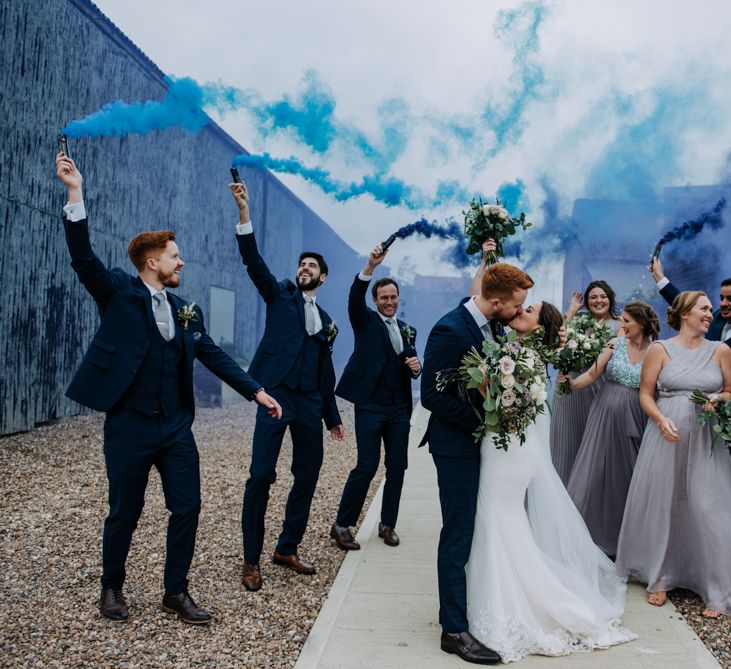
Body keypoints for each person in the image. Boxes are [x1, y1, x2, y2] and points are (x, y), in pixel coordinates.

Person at [55, 154, 282, 624]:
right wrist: (75, 193)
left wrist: (256, 391)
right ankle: (111, 588)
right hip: (130, 426)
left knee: (188, 507)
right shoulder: (119, 293)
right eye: (176, 256)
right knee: (125, 510)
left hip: (176, 426)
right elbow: (82, 257)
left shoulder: (187, 311)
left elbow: (214, 354)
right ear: (153, 262)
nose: (183, 262)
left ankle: (175, 591)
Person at [466, 301, 636, 662]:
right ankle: (494, 594)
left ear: (538, 327)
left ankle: (507, 603)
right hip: (509, 449)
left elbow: (507, 408)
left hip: (507, 447)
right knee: (501, 519)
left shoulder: (523, 357)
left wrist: (482, 384)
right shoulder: (518, 348)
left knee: (494, 516)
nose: (521, 309)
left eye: (528, 309)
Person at [229, 179, 345, 593]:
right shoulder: (280, 295)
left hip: (310, 403)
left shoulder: (328, 322)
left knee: (308, 473)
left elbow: (325, 373)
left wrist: (331, 417)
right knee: (261, 475)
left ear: (323, 278)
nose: (305, 269)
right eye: (302, 265)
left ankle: (287, 546)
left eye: (312, 266)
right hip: (274, 395)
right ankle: (250, 559)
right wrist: (245, 213)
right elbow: (253, 262)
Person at [420, 262, 534, 665]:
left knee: (480, 527)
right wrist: (486, 420)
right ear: (496, 301)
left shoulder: (495, 326)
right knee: (458, 531)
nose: (521, 311)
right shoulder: (449, 329)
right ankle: (452, 630)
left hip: (485, 447)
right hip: (455, 447)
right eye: (517, 305)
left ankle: (472, 606)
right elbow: (431, 397)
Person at [617, 291, 731, 618]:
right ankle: (660, 574)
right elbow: (645, 394)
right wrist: (660, 418)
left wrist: (719, 400)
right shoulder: (660, 349)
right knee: (664, 502)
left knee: (708, 505)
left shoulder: (721, 350)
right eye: (704, 308)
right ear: (684, 313)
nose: (710, 314)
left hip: (705, 436)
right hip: (665, 435)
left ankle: (716, 587)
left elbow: (729, 390)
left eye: (711, 309)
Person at [330, 243, 421, 551]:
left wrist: (417, 366)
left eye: (393, 297)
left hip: (398, 409)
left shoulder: (408, 330)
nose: (389, 302)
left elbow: (410, 362)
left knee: (398, 466)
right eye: (384, 298)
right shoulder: (365, 320)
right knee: (367, 465)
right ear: (375, 300)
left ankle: (387, 524)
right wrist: (370, 267)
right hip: (369, 405)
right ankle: (342, 525)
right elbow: (354, 297)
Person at [565, 301, 659, 556]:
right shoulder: (613, 345)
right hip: (604, 416)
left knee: (628, 476)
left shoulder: (656, 352)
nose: (622, 325)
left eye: (627, 321)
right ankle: (582, 537)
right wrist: (573, 383)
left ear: (641, 323)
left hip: (636, 418)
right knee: (595, 471)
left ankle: (624, 542)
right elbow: (592, 375)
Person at [550, 280, 621, 485]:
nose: (598, 301)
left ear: (610, 299)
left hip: (599, 386)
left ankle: (588, 490)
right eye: (593, 297)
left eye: (603, 296)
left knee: (593, 441)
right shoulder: (578, 321)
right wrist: (571, 311)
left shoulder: (619, 324)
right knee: (565, 439)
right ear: (587, 302)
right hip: (569, 386)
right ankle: (561, 489)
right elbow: (556, 340)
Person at [649, 256, 730, 347]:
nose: (723, 304)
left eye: (730, 299)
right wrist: (659, 277)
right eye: (722, 298)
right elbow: (685, 304)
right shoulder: (717, 318)